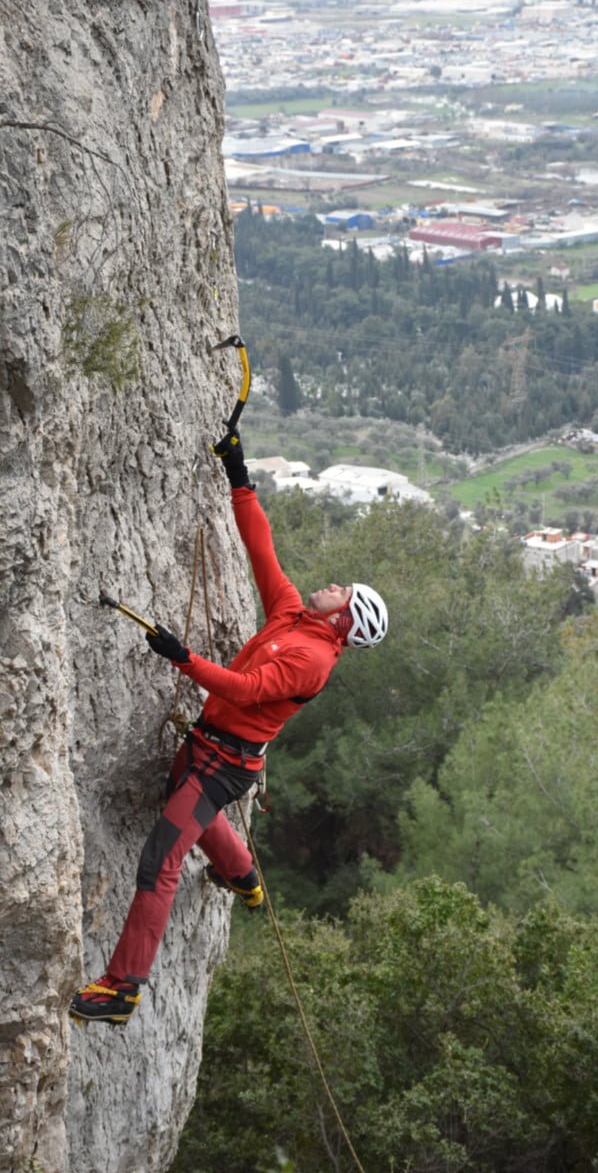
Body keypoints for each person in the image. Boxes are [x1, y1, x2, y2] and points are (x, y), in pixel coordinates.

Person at [69, 433, 388, 1026]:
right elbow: (260, 549)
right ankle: (242, 874)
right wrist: (239, 478)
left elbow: (244, 690)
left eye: (341, 591)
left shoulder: (311, 660)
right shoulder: (294, 615)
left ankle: (123, 987)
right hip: (209, 748)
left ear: (344, 617)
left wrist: (182, 657)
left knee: (160, 860)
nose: (331, 585)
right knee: (182, 812)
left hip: (224, 765)